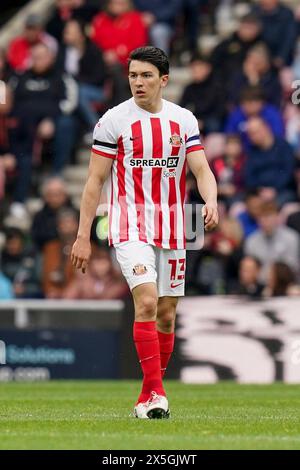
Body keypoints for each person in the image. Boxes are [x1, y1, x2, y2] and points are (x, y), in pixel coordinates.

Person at [71, 46, 218, 419]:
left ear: (163, 80)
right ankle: (157, 396)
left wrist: (212, 201)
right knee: (148, 302)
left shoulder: (183, 120)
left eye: (146, 75)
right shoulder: (113, 121)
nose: (138, 82)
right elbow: (94, 181)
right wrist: (82, 236)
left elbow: (201, 169)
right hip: (129, 222)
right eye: (133, 75)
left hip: (173, 225)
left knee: (167, 314)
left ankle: (148, 395)